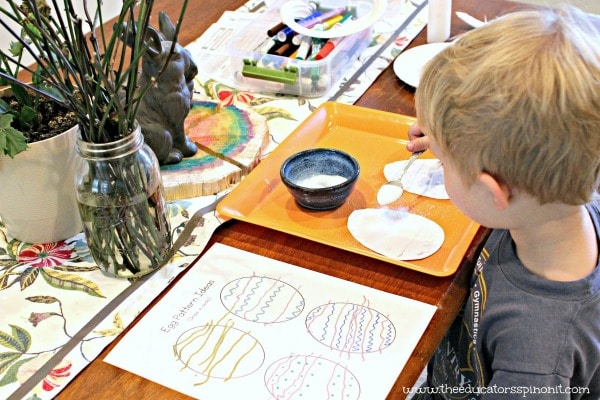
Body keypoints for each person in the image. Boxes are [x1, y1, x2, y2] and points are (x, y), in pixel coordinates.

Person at [405, 5, 600, 399]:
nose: (439, 164)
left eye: (442, 163)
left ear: (495, 193)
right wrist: (457, 143)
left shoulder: (536, 364)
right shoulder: (558, 202)